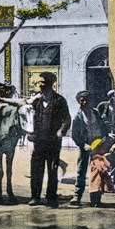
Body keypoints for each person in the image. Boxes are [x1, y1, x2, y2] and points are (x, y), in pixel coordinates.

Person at [29, 72, 71, 208]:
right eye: (39, 82)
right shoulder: (37, 101)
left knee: (52, 170)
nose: (40, 85)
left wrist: (61, 131)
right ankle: (35, 197)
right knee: (36, 169)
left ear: (50, 84)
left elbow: (67, 119)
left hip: (53, 142)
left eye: (43, 83)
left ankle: (51, 198)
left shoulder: (59, 100)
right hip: (39, 142)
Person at [70, 91, 108, 206]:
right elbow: (75, 135)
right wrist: (83, 145)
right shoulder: (78, 116)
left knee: (98, 171)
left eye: (87, 100)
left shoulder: (95, 113)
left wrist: (104, 137)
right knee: (81, 171)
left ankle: (96, 199)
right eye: (82, 100)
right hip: (85, 147)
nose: (84, 102)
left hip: (98, 146)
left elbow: (102, 126)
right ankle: (77, 196)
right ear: (78, 101)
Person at [88, 138, 113, 207]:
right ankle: (96, 202)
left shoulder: (94, 158)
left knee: (94, 191)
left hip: (94, 178)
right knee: (97, 191)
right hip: (98, 178)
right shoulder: (98, 158)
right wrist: (105, 170)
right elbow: (101, 168)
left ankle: (94, 202)